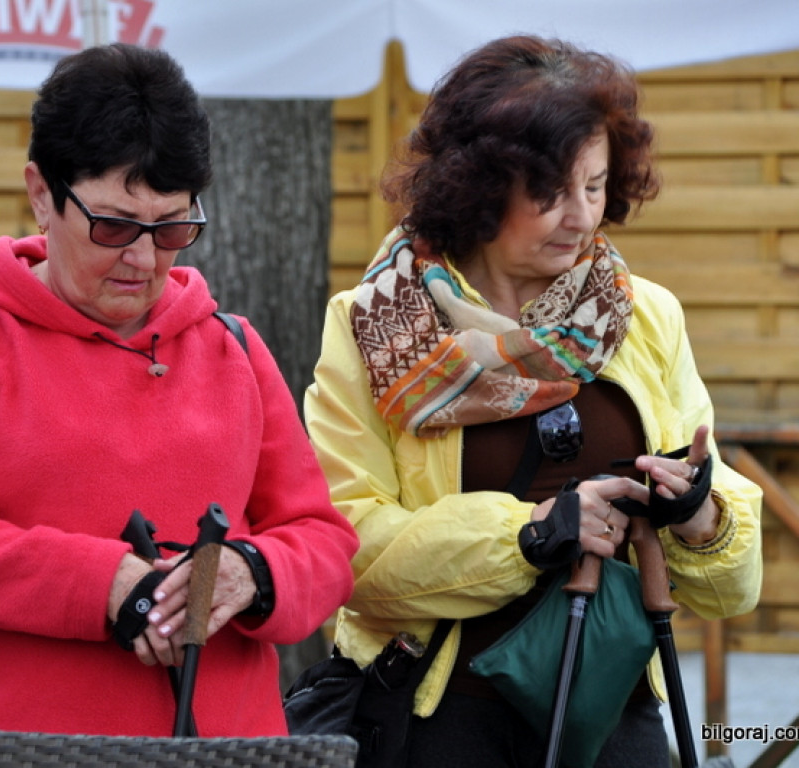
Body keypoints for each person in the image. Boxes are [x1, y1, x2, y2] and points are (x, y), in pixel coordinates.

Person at [0, 43, 358, 766]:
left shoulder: (234, 348)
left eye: (174, 228)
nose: (144, 260)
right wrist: (101, 584)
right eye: (114, 225)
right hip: (11, 748)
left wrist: (254, 572)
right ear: (40, 192)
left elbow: (325, 541)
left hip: (224, 749)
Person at [304, 35, 762, 767]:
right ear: (480, 185)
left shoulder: (645, 315)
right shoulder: (371, 324)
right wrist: (529, 536)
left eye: (596, 185)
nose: (581, 216)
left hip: (613, 717)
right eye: (551, 192)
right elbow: (344, 547)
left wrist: (701, 515)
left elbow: (731, 591)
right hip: (441, 719)